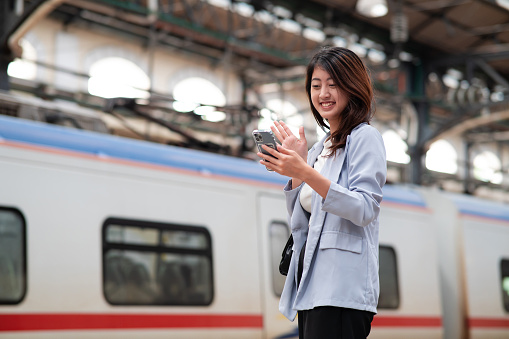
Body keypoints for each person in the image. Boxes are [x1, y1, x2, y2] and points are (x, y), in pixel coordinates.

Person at [257, 46, 386, 339]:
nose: (323, 93)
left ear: (353, 87)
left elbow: (365, 209)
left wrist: (306, 171)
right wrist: (297, 171)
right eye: (316, 86)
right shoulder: (319, 149)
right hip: (311, 285)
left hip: (342, 289)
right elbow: (302, 223)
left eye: (333, 84)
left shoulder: (365, 137)